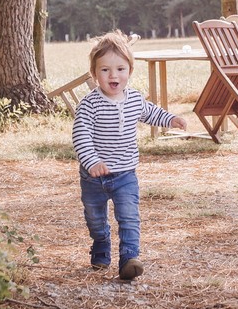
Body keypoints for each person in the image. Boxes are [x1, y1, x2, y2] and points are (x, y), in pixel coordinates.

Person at [72, 31, 188, 281]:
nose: (113, 75)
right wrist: (91, 162)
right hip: (94, 178)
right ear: (94, 74)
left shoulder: (134, 99)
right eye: (104, 70)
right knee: (95, 219)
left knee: (129, 216)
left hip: (125, 174)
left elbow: (151, 113)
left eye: (120, 69)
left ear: (129, 71)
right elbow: (80, 136)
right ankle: (101, 246)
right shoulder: (89, 104)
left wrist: (171, 119)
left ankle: (129, 258)